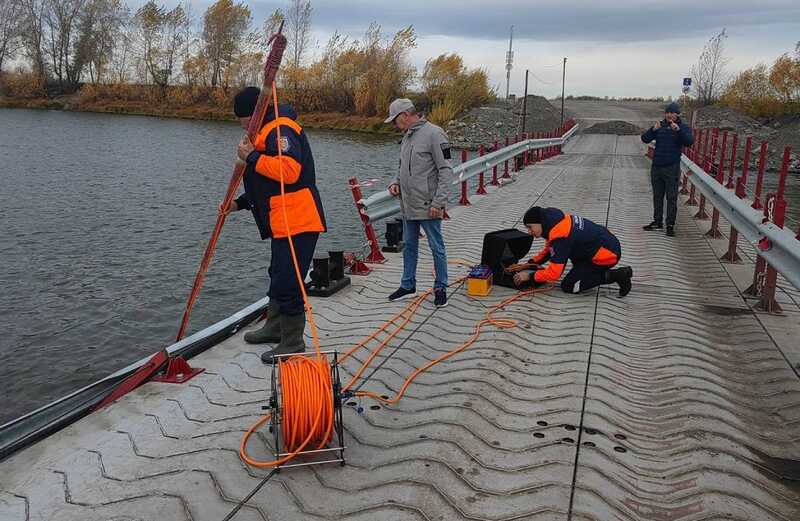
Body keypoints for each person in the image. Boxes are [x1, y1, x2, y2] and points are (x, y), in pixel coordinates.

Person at [223, 86, 326, 362]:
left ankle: (293, 340)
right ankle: (274, 327)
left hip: (299, 220)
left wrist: (252, 157)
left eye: (241, 119)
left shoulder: (281, 128)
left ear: (250, 114)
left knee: (288, 281)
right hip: (285, 221)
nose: (241, 125)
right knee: (277, 273)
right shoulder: (266, 130)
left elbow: (289, 172)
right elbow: (267, 186)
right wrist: (239, 204)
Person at [385, 98, 453, 308]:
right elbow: (402, 165)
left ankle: (440, 287)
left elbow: (446, 170)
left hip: (429, 205)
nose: (395, 126)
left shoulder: (435, 134)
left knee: (436, 247)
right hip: (408, 204)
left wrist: (438, 202)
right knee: (409, 246)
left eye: (395, 121)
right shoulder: (407, 137)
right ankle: (408, 285)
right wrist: (396, 182)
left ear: (405, 115)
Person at [512, 206, 633, 296]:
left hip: (607, 255)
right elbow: (550, 251)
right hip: (601, 246)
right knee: (573, 262)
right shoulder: (556, 223)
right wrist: (528, 264)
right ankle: (589, 270)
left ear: (540, 223)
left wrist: (529, 276)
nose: (529, 231)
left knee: (569, 286)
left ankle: (617, 275)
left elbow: (554, 274)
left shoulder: (561, 236)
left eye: (530, 227)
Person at [640, 102, 694, 237]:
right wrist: (653, 129)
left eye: (672, 112)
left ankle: (670, 225)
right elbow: (644, 139)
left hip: (672, 168)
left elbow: (689, 142)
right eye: (667, 112)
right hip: (657, 167)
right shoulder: (660, 125)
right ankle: (657, 222)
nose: (669, 115)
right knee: (657, 196)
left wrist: (678, 131)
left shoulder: (682, 127)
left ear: (677, 114)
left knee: (671, 197)